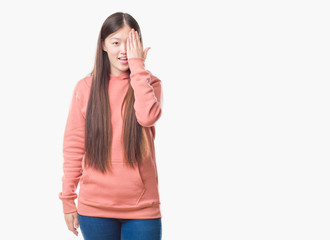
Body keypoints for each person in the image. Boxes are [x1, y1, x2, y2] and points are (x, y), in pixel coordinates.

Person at [58, 12, 163, 240]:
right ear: (103, 45)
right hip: (94, 210)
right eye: (116, 42)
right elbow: (74, 146)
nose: (123, 51)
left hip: (143, 208)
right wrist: (67, 199)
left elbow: (147, 117)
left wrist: (138, 67)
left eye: (130, 43)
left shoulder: (150, 84)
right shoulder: (85, 88)